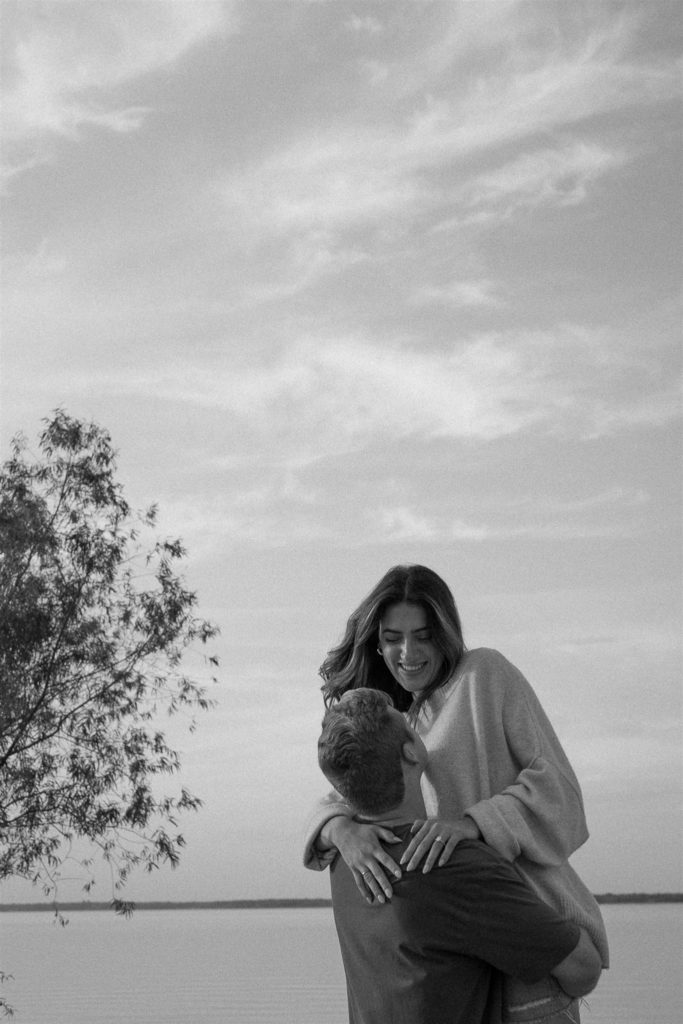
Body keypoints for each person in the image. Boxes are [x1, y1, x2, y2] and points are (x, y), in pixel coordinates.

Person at [303, 564, 608, 1023]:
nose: (408, 652)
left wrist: (473, 825)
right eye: (392, 637)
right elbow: (348, 785)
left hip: (529, 948)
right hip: (452, 965)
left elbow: (561, 792)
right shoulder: (390, 719)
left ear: (445, 632)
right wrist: (339, 829)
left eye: (423, 635)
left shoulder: (484, 675)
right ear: (376, 642)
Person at [317, 687, 602, 1024]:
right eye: (409, 725)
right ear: (410, 753)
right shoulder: (454, 866)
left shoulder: (343, 857)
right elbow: (583, 969)